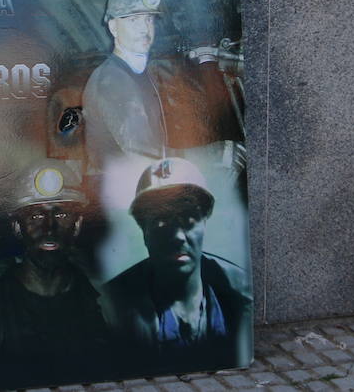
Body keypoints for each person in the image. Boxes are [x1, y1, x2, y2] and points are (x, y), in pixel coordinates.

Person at [0, 160, 112, 386]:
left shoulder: (106, 300)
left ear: (78, 225)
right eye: (35, 217)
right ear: (17, 228)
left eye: (61, 216)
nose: (49, 228)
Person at [103, 157, 252, 373]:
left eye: (189, 219)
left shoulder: (242, 296)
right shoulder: (110, 307)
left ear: (205, 223)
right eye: (161, 222)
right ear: (144, 231)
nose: (178, 236)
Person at [82, 0, 168, 175]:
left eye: (148, 19)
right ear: (113, 27)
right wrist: (212, 155)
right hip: (119, 195)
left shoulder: (139, 74)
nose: (145, 29)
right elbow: (146, 156)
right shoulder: (112, 79)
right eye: (133, 20)